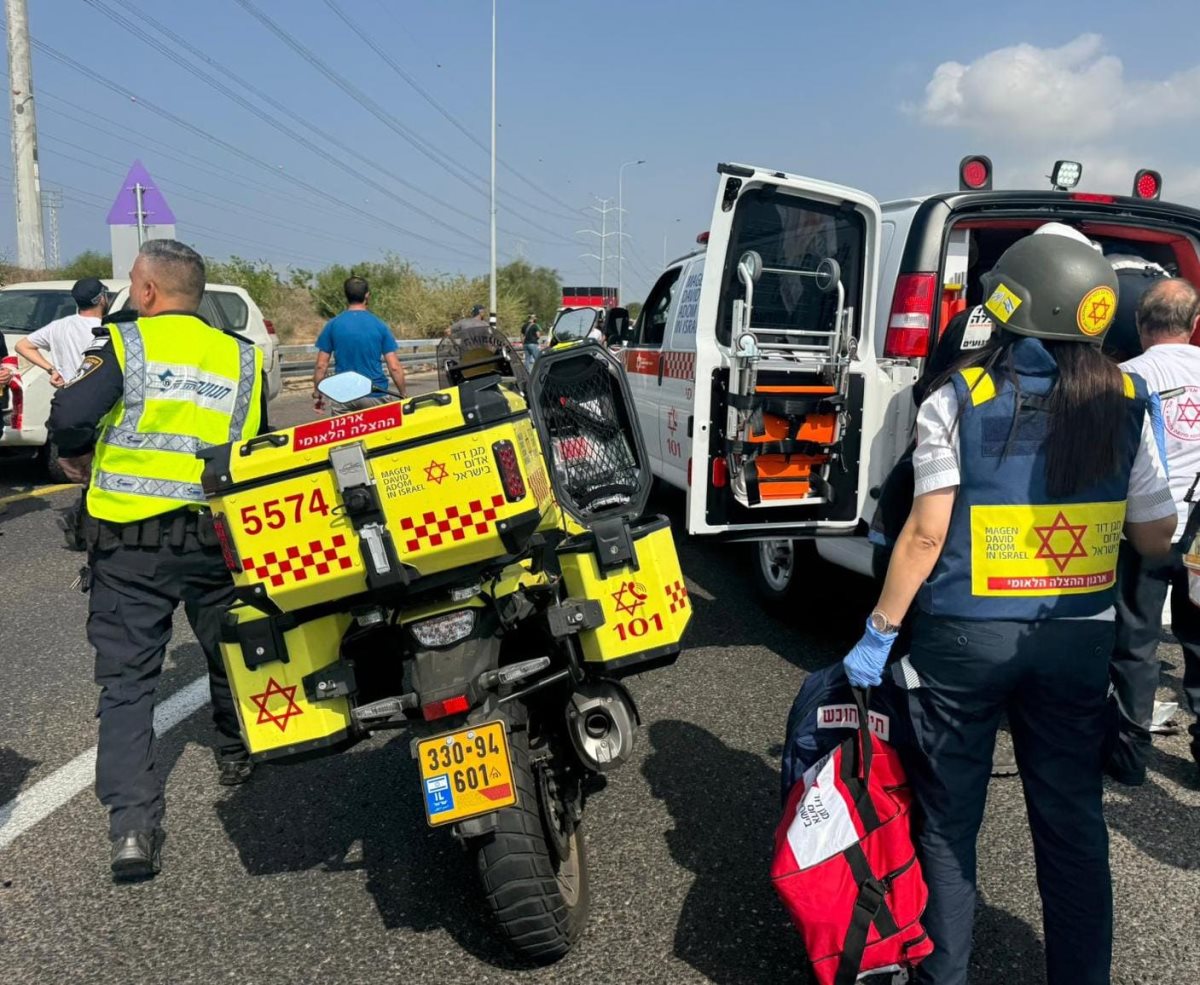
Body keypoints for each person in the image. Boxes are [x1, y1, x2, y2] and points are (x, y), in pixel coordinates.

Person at [843, 234, 1176, 985]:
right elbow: (1156, 534)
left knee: (949, 827)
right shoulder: (1128, 401)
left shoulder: (961, 396)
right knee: (1071, 825)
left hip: (960, 646)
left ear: (1012, 304)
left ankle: (944, 975)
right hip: (1076, 647)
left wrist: (878, 633)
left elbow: (926, 533)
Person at [47, 239, 268, 881]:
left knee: (127, 684)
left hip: (129, 545)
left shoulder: (124, 344)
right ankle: (237, 750)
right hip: (212, 536)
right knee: (229, 647)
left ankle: (133, 831)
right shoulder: (244, 359)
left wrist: (76, 458)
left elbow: (70, 414)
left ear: (145, 292)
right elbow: (250, 446)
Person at [1109, 277, 1200, 783]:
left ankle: (1129, 757)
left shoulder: (1124, 377)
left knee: (1136, 641)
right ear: (1193, 326)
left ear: (1141, 325)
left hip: (1145, 527)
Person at [312, 276, 406, 411]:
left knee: (345, 432)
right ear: (367, 295)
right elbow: (394, 367)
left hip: (343, 396)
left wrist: (317, 394)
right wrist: (403, 394)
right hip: (375, 393)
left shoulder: (333, 325)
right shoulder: (379, 325)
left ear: (346, 295)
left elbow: (321, 366)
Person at [15, 277, 110, 387]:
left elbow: (22, 346)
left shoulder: (58, 326)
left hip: (67, 396)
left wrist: (52, 370)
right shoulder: (106, 329)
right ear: (102, 299)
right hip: (99, 396)